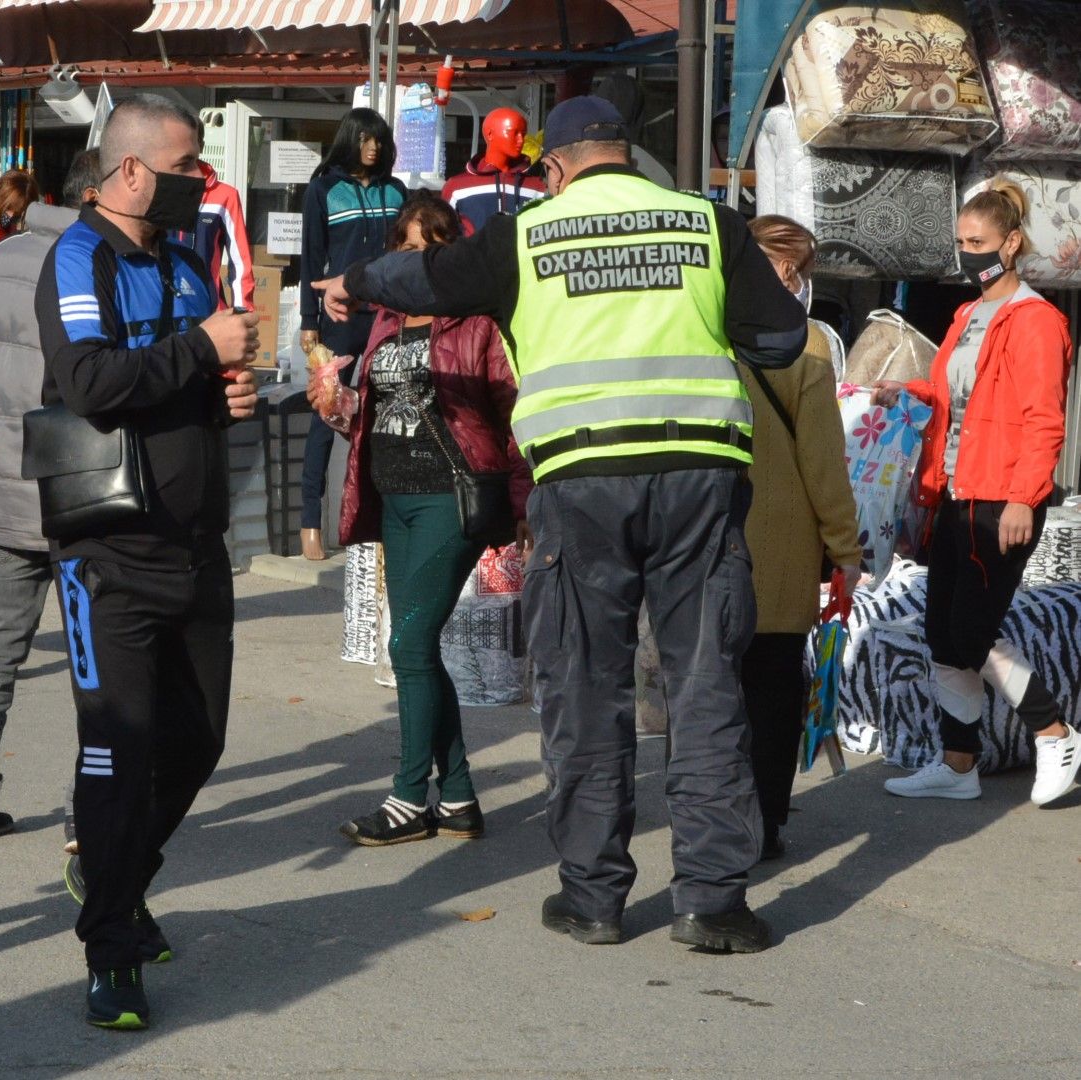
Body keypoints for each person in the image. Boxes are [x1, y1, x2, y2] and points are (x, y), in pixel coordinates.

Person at [315, 95, 808, 954]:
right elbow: (780, 340)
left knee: (585, 684)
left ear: (554, 167)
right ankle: (711, 902)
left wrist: (351, 283)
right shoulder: (708, 223)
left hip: (580, 482)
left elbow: (425, 280)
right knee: (702, 685)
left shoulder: (528, 234)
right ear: (627, 156)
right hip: (699, 477)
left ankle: (593, 898)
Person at [36, 94, 259, 1029]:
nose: (200, 184)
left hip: (195, 542)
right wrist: (197, 349)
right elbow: (89, 383)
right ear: (130, 171)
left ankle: (112, 868)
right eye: (185, 168)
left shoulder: (184, 259)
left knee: (198, 739)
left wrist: (227, 393)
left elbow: (186, 383)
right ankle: (112, 946)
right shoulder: (78, 255)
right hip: (107, 552)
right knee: (118, 754)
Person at [309, 194, 529, 846]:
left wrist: (523, 501)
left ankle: (409, 798)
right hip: (392, 495)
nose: (415, 260)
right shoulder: (383, 322)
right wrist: (339, 404)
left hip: (450, 497)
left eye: (430, 246)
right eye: (405, 247)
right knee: (416, 650)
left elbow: (511, 410)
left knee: (407, 644)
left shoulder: (477, 323)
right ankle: (456, 795)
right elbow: (376, 415)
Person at [873, 179, 1081, 806]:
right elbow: (957, 399)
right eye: (961, 242)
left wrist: (1025, 496)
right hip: (954, 493)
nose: (967, 254)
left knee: (970, 631)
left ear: (1012, 242)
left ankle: (1054, 731)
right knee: (943, 634)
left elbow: (1044, 418)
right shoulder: (967, 316)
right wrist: (907, 394)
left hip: (1001, 497)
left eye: (979, 242)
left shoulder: (1038, 321)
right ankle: (957, 765)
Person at [0, 148, 104, 847]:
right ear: (95, 197)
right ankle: (84, 804)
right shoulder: (87, 265)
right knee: (93, 657)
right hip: (74, 482)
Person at [738, 215, 863, 860]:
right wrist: (846, 548)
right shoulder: (807, 344)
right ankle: (763, 820)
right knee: (774, 683)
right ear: (785, 272)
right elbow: (823, 463)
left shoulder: (706, 330)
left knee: (713, 685)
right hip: (782, 538)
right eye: (801, 271)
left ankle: (711, 818)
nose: (803, 283)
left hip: (708, 533)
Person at [297, 109, 408, 561]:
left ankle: (383, 516)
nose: (373, 146)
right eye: (365, 138)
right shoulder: (323, 189)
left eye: (379, 139)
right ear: (349, 139)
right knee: (325, 416)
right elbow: (311, 258)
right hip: (338, 318)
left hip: (387, 315)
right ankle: (309, 521)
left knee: (389, 410)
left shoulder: (397, 191)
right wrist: (308, 322)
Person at [439, 108, 545, 234]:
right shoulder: (456, 187)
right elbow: (443, 236)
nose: (521, 140)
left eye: (523, 133)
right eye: (514, 133)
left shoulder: (539, 187)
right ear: (490, 134)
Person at [171, 160, 254, 310]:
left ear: (200, 144)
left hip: (209, 308)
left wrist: (242, 310)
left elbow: (239, 260)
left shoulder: (226, 196)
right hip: (165, 308)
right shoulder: (159, 190)